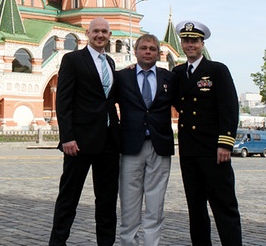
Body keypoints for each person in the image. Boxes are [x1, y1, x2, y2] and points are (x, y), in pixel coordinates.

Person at [49, 17, 120, 246]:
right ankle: (58, 242)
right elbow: (63, 100)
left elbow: (108, 98)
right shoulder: (73, 59)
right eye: (96, 31)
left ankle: (106, 243)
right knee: (69, 198)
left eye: (105, 32)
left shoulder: (110, 61)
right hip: (79, 143)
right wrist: (67, 137)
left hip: (109, 141)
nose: (100, 35)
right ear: (87, 34)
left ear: (109, 35)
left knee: (107, 201)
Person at [173, 20, 242, 246]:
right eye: (186, 41)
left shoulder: (216, 70)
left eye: (194, 41)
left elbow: (229, 108)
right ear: (181, 43)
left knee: (224, 206)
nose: (190, 45)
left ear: (202, 44)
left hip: (213, 150)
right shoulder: (178, 72)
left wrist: (225, 144)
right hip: (190, 152)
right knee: (196, 208)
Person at [116, 34, 177, 246]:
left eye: (152, 48)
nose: (148, 51)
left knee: (155, 206)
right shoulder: (122, 77)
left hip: (159, 148)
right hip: (131, 148)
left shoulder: (169, 78)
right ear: (136, 51)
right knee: (129, 206)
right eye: (143, 48)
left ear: (158, 52)